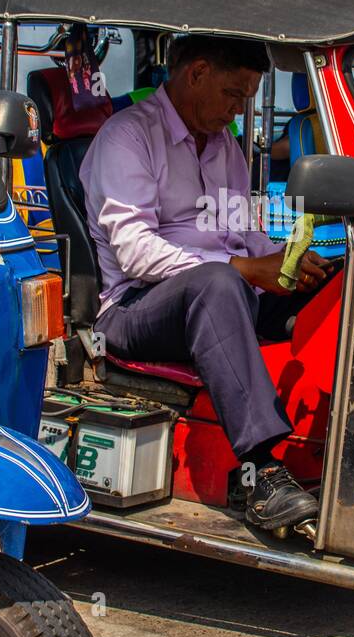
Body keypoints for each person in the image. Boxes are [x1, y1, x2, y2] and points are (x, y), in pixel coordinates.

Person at [80, 35, 332, 530]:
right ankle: (261, 472)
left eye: (246, 98)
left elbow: (242, 232)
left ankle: (333, 437)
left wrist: (284, 260)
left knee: (340, 282)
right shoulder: (127, 136)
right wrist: (242, 270)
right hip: (135, 307)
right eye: (234, 94)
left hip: (223, 291)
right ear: (196, 74)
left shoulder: (225, 147)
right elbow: (134, 252)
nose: (238, 109)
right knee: (217, 284)